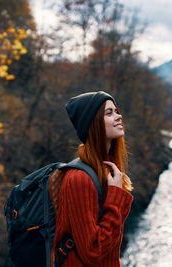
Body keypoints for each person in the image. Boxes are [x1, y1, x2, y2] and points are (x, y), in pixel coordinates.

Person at [51, 91, 133, 267]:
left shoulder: (110, 170)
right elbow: (93, 251)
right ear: (93, 123)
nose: (119, 117)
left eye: (116, 111)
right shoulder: (79, 179)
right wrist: (115, 195)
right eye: (109, 113)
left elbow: (112, 240)